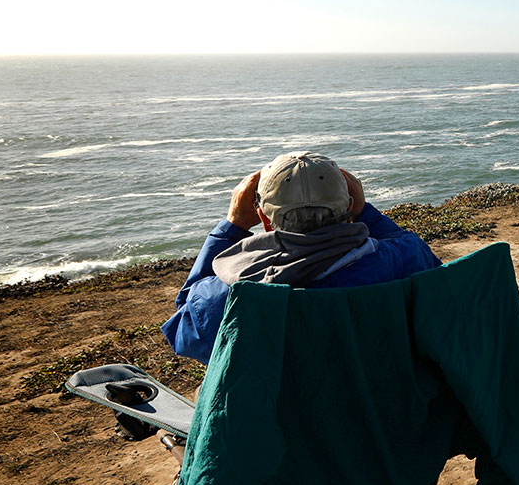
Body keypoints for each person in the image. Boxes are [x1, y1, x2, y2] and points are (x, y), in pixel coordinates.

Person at [162, 151, 441, 364]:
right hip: (392, 417)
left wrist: (231, 227)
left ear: (264, 220)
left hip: (281, 433)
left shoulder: (226, 296)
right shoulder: (405, 258)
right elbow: (438, 290)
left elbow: (183, 330)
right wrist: (368, 214)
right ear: (351, 205)